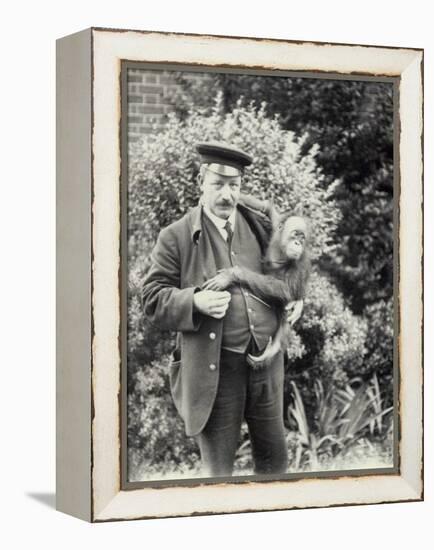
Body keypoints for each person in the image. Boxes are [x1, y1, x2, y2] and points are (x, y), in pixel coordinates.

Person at [141, 142, 302, 477]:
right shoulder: (176, 236)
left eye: (234, 185)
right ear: (202, 180)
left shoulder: (258, 225)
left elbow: (284, 269)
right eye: (218, 184)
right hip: (216, 371)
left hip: (266, 366)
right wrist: (195, 301)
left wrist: (296, 296)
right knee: (219, 475)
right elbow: (152, 298)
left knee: (275, 466)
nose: (227, 195)